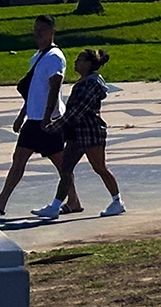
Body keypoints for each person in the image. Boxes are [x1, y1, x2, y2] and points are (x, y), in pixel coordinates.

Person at [0, 14, 68, 217]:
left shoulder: (55, 57)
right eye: (35, 29)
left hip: (46, 121)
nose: (37, 34)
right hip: (33, 120)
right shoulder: (38, 57)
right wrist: (21, 115)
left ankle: (74, 200)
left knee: (61, 164)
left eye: (42, 30)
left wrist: (47, 117)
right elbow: (34, 92)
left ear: (52, 32)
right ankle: (1, 201)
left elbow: (55, 87)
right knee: (19, 160)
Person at [52, 48, 124, 217]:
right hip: (77, 133)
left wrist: (56, 126)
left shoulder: (91, 85)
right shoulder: (83, 83)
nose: (76, 62)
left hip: (90, 132)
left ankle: (117, 201)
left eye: (80, 60)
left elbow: (79, 110)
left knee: (99, 167)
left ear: (89, 64)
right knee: (66, 168)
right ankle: (56, 206)